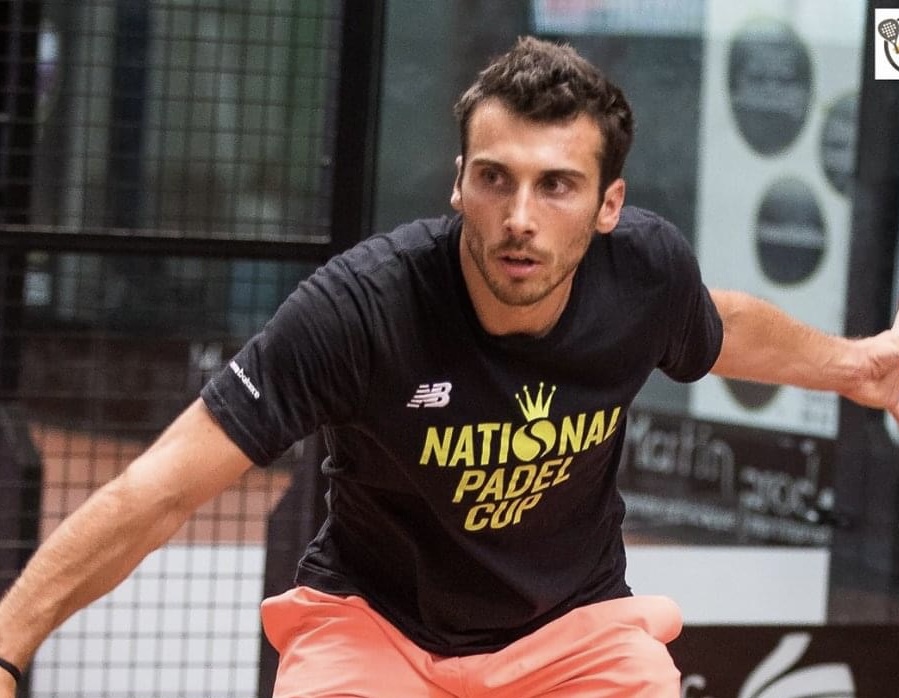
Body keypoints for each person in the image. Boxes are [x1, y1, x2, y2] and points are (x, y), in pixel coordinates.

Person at [1, 36, 898, 698]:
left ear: (608, 204)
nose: (520, 217)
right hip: (374, 629)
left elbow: (714, 323)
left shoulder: (645, 274)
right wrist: (6, 649)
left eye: (556, 184)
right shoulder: (360, 309)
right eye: (496, 178)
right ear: (459, 181)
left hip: (573, 635)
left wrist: (856, 368)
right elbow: (158, 490)